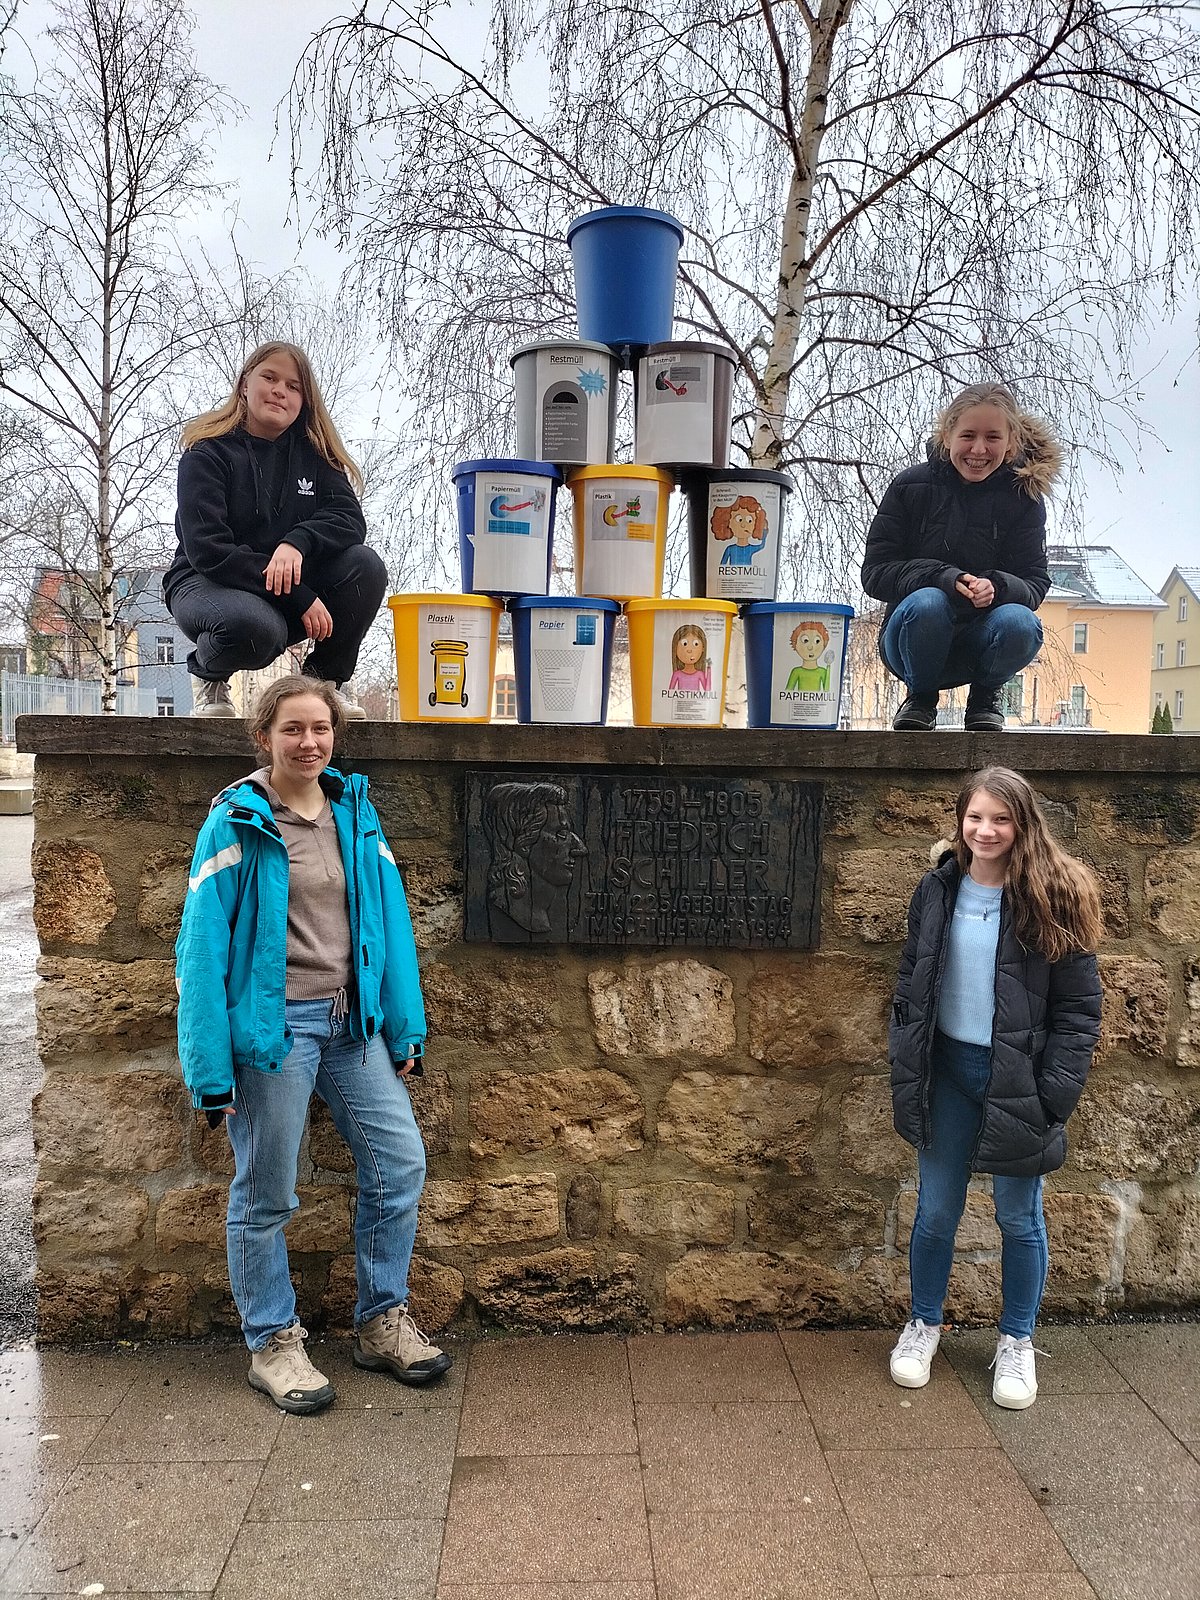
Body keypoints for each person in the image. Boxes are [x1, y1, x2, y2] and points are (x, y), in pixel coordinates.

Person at [174, 677, 451, 1414]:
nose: (308, 742)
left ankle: (380, 1321)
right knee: (266, 1192)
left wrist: (404, 1026)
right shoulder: (236, 821)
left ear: (335, 736)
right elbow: (199, 951)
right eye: (292, 729)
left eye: (320, 729)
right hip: (275, 1035)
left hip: (352, 1025)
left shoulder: (355, 814)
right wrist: (208, 1068)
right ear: (263, 736)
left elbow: (391, 928)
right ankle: (271, 1340)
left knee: (400, 1167)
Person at [887, 766, 1103, 1409]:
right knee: (935, 1211)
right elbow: (911, 976)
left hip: (1019, 1081)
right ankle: (924, 1323)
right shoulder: (937, 890)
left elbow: (1078, 1011)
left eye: (1000, 819)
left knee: (1018, 1216)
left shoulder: (1053, 895)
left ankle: (1016, 1341)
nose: (986, 830)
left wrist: (1053, 1093)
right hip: (946, 1073)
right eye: (975, 816)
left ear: (1022, 825)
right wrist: (906, 1044)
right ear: (961, 820)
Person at [165, 341, 387, 719]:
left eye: (293, 386)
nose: (280, 390)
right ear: (245, 385)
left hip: (282, 587)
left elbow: (349, 519)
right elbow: (209, 550)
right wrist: (298, 596)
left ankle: (325, 682)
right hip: (208, 583)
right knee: (256, 630)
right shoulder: (207, 454)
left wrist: (296, 543)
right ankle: (209, 674)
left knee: (365, 566)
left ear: (304, 401)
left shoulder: (315, 456)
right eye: (269, 377)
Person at [861, 382, 1061, 731]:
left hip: (982, 641)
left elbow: (1035, 583)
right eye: (968, 435)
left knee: (1021, 622)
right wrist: (943, 578)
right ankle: (920, 699)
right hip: (910, 638)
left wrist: (996, 586)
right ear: (948, 434)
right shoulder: (910, 487)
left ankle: (985, 698)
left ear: (1011, 441)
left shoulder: (1023, 498)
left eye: (993, 438)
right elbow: (876, 573)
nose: (979, 449)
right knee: (929, 602)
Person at [668, 625, 711, 692]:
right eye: (684, 644)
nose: (689, 650)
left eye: (696, 644)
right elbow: (669, 692)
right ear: (675, 648)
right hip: (680, 702)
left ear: (703, 648)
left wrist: (709, 669)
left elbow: (708, 690)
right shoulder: (677, 674)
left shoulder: (700, 674)